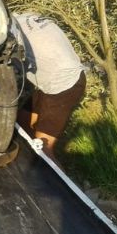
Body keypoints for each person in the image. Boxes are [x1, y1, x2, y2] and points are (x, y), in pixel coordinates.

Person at [14, 13, 86, 164]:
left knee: (43, 150)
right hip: (53, 78)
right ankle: (28, 159)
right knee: (22, 122)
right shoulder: (24, 17)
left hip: (65, 86)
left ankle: (56, 176)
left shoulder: (10, 35)